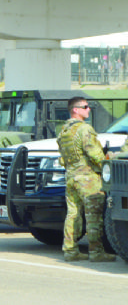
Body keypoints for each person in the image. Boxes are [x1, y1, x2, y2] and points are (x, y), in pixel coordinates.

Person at [57, 97, 116, 262]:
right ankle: (96, 252)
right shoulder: (85, 129)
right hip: (88, 178)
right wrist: (109, 158)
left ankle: (70, 251)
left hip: (71, 177)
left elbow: (63, 158)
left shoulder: (64, 131)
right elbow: (95, 155)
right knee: (93, 216)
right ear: (75, 110)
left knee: (72, 214)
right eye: (85, 106)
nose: (89, 109)